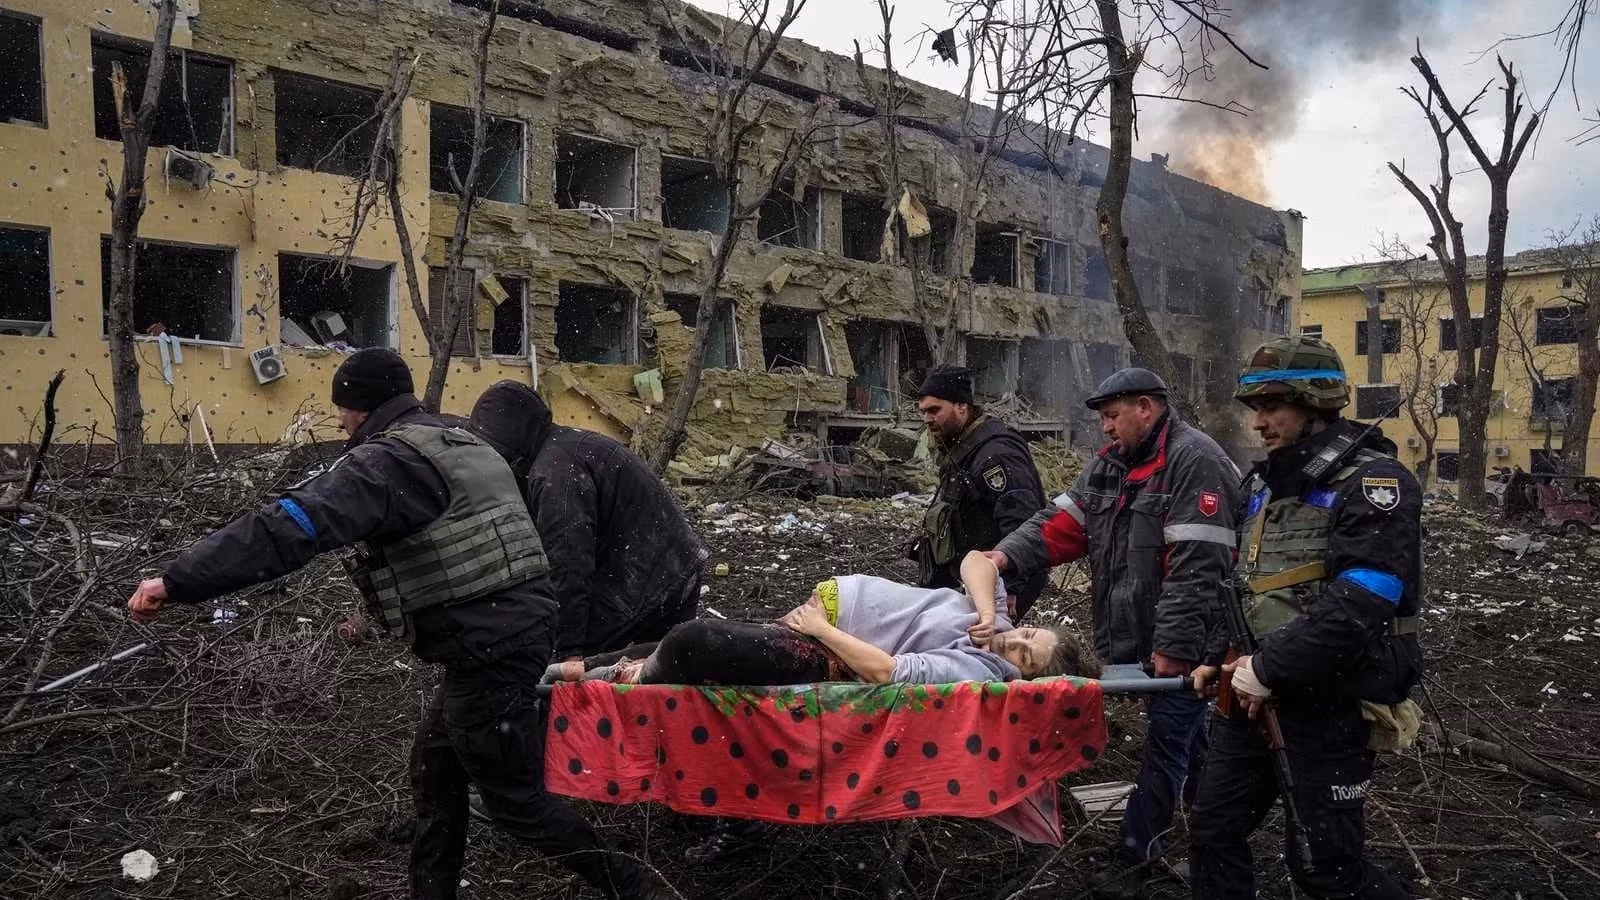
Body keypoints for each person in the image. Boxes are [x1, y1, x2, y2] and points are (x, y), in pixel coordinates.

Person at [125, 349, 664, 900]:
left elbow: (286, 528)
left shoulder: (388, 463)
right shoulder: (456, 440)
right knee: (436, 773)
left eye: (342, 410)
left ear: (362, 409)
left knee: (515, 801)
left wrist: (179, 581)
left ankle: (634, 886)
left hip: (490, 648)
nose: (339, 423)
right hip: (510, 632)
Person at [987, 367, 1239, 898]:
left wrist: (1174, 648)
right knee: (1187, 738)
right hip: (1138, 638)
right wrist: (1004, 556)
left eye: (1111, 416)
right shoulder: (1109, 467)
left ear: (1145, 408)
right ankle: (1217, 821)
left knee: (1168, 740)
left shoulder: (1196, 462)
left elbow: (1199, 567)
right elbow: (1058, 525)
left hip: (1190, 642)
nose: (1104, 428)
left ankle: (1134, 853)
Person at [1187, 336, 1420, 900]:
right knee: (1211, 832)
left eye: (1272, 407)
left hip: (1330, 704)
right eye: (1256, 409)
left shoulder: (1374, 484)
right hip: (1250, 698)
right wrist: (1216, 657)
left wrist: (1268, 668)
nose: (1259, 422)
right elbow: (1243, 586)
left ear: (1315, 403)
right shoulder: (1264, 487)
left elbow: (1363, 601)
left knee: (1325, 868)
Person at [565, 552, 1098, 687]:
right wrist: (988, 611)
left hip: (825, 649)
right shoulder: (995, 622)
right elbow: (977, 562)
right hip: (820, 618)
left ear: (1024, 678)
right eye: (1028, 635)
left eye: (1025, 657)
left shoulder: (981, 671)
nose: (1014, 644)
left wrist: (822, 630)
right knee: (684, 640)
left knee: (694, 640)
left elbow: (890, 672)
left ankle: (612, 679)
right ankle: (571, 668)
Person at [468, 381, 706, 678]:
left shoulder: (554, 471)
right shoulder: (565, 447)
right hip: (675, 565)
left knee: (564, 672)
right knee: (662, 675)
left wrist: (569, 650)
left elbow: (569, 562)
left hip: (646, 578)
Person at [912, 364, 1047, 619]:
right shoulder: (962, 448)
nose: (927, 419)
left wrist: (1009, 586)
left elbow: (1021, 521)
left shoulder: (995, 455)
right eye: (923, 412)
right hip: (971, 578)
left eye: (934, 410)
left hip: (995, 582)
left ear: (962, 405)